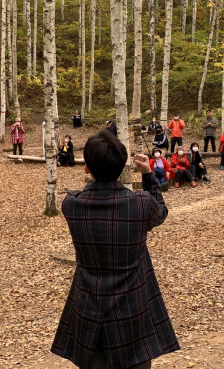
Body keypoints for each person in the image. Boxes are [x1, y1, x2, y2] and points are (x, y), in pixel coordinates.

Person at [51, 131, 180, 368]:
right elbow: (160, 213)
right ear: (122, 168)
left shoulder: (72, 205)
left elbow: (84, 193)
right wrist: (149, 175)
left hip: (88, 308)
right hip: (132, 311)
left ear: (87, 168)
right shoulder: (140, 205)